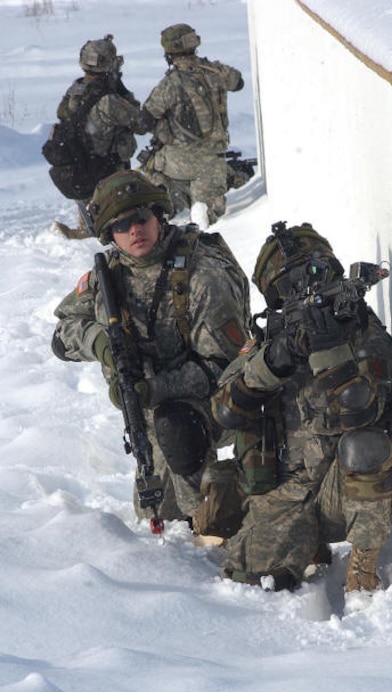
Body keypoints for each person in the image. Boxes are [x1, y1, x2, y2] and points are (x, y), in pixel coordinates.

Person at [51, 170, 252, 537]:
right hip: (150, 413)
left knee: (178, 433)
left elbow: (223, 369)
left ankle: (216, 526)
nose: (134, 231)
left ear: (158, 216)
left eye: (141, 218)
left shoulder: (202, 274)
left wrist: (154, 388)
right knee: (154, 519)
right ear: (109, 235)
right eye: (121, 225)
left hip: (213, 405)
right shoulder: (109, 274)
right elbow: (62, 334)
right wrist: (102, 344)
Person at [211, 222, 392, 593]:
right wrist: (277, 359)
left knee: (366, 445)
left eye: (314, 273)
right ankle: (304, 543)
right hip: (283, 495)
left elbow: (361, 409)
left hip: (343, 494)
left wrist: (329, 349)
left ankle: (362, 570)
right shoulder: (265, 345)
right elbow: (224, 412)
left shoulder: (365, 334)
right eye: (289, 284)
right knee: (252, 582)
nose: (304, 288)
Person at [139, 24, 244, 229]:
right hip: (212, 164)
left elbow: (144, 122)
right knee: (206, 216)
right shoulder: (217, 71)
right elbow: (238, 82)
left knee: (151, 166)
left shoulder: (169, 84)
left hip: (177, 163)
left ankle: (167, 198)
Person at [50, 35, 146, 240]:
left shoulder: (75, 90)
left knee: (92, 205)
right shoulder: (109, 100)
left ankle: (85, 227)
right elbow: (140, 123)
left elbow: (63, 114)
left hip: (82, 162)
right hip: (106, 167)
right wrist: (123, 92)